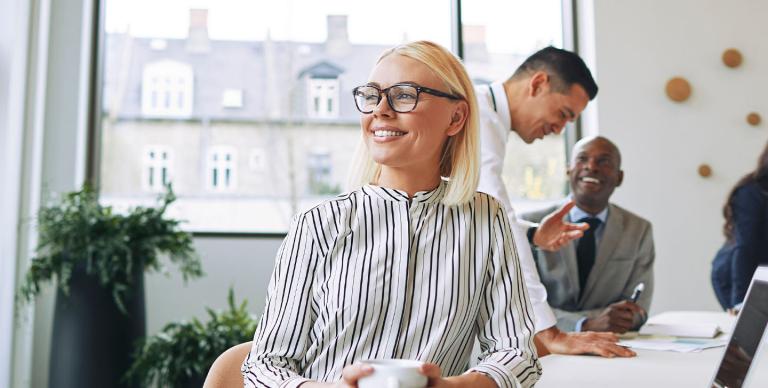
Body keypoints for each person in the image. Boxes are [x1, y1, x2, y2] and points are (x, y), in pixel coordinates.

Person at [243, 41, 540, 388]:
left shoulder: (486, 220)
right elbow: (264, 366)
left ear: (456, 117)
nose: (379, 110)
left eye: (403, 95)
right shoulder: (319, 224)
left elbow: (517, 353)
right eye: (371, 95)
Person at [477, 46, 636, 356]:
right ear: (538, 84)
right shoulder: (479, 118)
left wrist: (533, 234)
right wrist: (549, 332)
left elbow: (482, 214)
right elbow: (497, 219)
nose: (559, 130)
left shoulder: (489, 117)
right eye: (563, 114)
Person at [521, 136, 653, 334]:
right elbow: (521, 304)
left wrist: (625, 318)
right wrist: (584, 324)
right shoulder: (529, 226)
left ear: (619, 177)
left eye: (604, 161)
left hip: (609, 350)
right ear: (568, 170)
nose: (591, 167)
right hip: (542, 349)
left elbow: (639, 309)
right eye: (582, 159)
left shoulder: (638, 229)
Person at [712, 140, 768, 311]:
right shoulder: (751, 192)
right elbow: (745, 249)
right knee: (751, 331)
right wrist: (741, 303)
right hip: (738, 276)